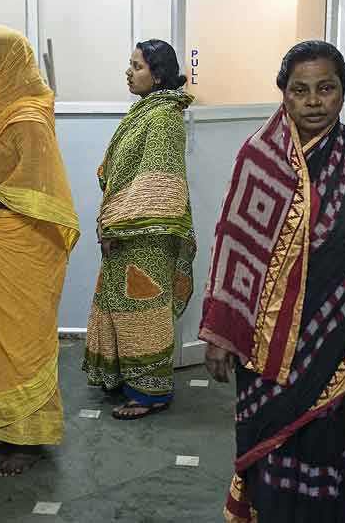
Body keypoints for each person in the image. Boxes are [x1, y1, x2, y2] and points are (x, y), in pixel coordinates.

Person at [200, 40, 345, 522]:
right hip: (266, 345)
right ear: (283, 94)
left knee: (327, 440)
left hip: (336, 338)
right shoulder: (259, 158)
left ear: (343, 92)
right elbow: (232, 244)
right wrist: (220, 333)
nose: (314, 101)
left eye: (326, 88)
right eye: (300, 90)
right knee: (268, 446)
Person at [0, 25, 80, 477]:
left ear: (2, 67)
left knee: (22, 342)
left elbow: (41, 188)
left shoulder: (26, 117)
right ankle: (1, 424)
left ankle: (27, 438)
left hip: (24, 245)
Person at [81, 39, 197, 420]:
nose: (129, 72)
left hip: (145, 234)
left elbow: (157, 183)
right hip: (128, 229)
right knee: (126, 308)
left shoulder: (163, 118)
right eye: (129, 64)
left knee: (143, 313)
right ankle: (128, 380)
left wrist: (119, 223)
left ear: (159, 74)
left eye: (138, 66)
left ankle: (151, 393)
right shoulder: (147, 111)